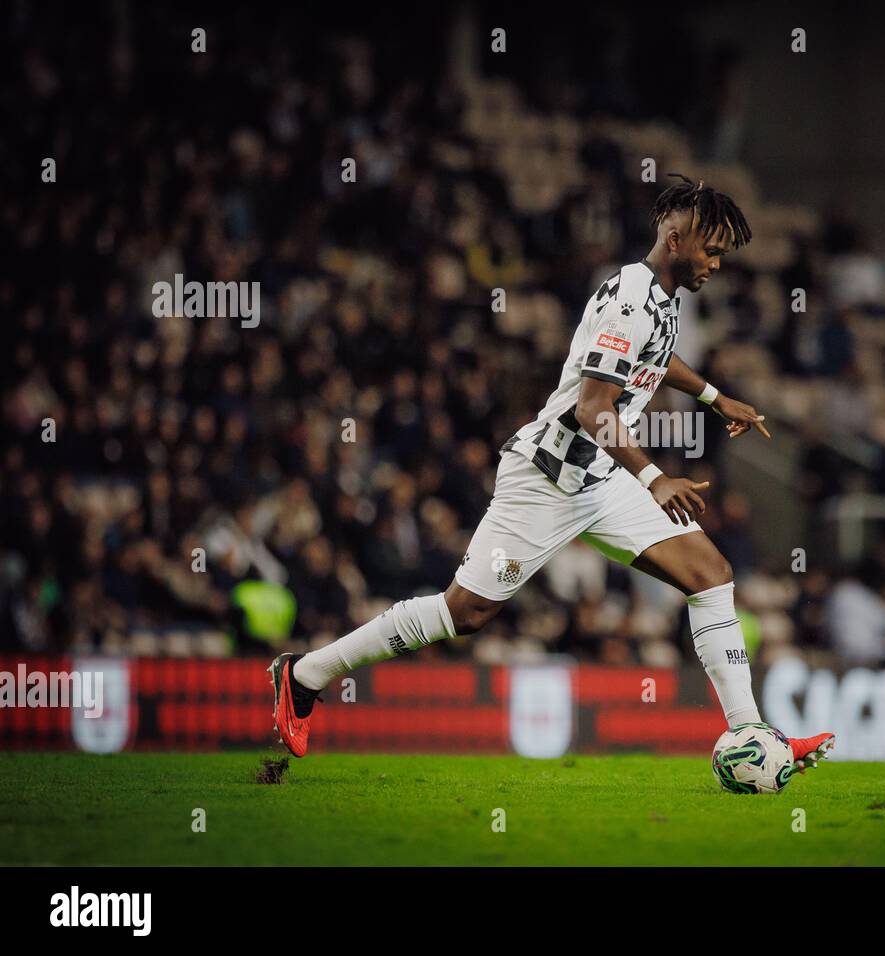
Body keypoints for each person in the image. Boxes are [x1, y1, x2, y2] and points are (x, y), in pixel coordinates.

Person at [269, 174, 835, 772]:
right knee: (465, 612)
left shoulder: (660, 299)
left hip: (600, 480)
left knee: (711, 574)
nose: (717, 263)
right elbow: (594, 409)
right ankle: (305, 676)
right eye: (711, 249)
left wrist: (716, 397)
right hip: (546, 476)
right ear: (674, 238)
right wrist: (655, 478)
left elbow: (657, 357)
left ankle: (751, 735)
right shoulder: (628, 300)